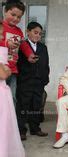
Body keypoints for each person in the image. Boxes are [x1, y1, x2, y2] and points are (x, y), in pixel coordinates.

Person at [16, 22, 50, 141]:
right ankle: (21, 130)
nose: (37, 36)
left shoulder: (43, 47)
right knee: (23, 105)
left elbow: (46, 64)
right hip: (25, 81)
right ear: (28, 32)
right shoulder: (22, 46)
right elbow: (18, 63)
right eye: (35, 32)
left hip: (39, 82)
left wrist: (45, 78)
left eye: (40, 34)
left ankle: (35, 128)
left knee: (36, 105)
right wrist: (21, 78)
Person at [0, 0, 34, 106]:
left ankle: (10, 121)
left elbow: (23, 45)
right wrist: (6, 43)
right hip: (1, 68)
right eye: (13, 14)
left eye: (19, 17)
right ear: (5, 11)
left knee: (12, 97)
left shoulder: (19, 31)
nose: (16, 19)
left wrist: (30, 55)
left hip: (13, 70)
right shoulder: (1, 27)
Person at [0, 21, 25, 157]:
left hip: (9, 74)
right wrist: (6, 70)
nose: (2, 37)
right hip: (2, 85)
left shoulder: (19, 32)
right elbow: (3, 74)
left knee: (8, 112)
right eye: (0, 35)